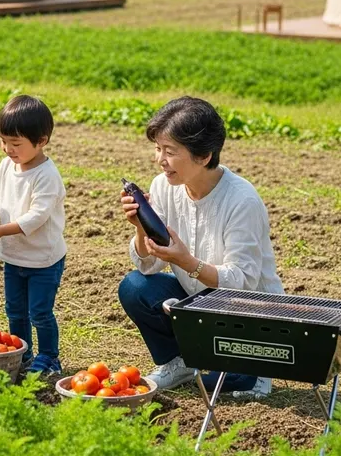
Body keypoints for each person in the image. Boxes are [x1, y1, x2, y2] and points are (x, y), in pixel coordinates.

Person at [118, 96, 283, 399]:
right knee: (135, 287)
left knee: (227, 383)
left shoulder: (241, 200)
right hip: (200, 306)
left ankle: (255, 371)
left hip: (246, 315)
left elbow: (242, 282)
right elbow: (147, 265)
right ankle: (178, 361)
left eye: (170, 151)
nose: (160, 159)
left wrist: (187, 261)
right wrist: (141, 228)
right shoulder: (163, 187)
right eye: (158, 149)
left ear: (204, 156)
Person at [0, 95, 67, 375]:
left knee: (39, 312)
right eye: (3, 141)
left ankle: (50, 356)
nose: (7, 149)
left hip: (43, 260)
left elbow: (37, 217)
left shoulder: (47, 176)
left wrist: (0, 229)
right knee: (14, 310)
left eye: (15, 144)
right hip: (14, 257)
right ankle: (21, 350)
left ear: (42, 141)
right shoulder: (7, 166)